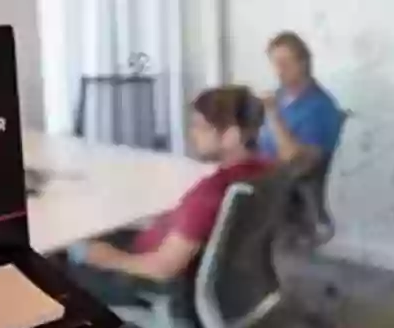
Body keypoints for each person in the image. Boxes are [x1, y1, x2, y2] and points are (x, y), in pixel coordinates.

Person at [80, 86, 270, 294]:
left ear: (231, 136)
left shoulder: (212, 192)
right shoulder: (267, 172)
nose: (192, 134)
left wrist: (109, 259)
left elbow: (164, 268)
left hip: (146, 281)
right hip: (226, 278)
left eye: (200, 127)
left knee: (60, 267)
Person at [258, 31, 344, 163]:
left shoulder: (320, 108)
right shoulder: (278, 96)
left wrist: (273, 115)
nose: (280, 71)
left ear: (302, 63)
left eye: (285, 64)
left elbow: (294, 160)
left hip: (294, 181)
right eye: (276, 64)